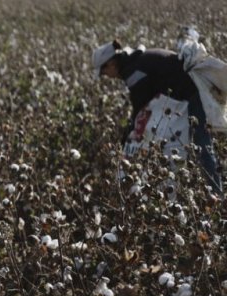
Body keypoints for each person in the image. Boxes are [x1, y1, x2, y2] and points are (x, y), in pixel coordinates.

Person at [93, 40, 223, 194]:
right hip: (187, 94)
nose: (107, 76)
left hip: (193, 95)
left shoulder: (134, 72)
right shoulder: (135, 61)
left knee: (202, 147)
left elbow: (140, 107)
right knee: (195, 146)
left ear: (111, 64)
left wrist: (126, 138)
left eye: (104, 72)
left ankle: (217, 193)